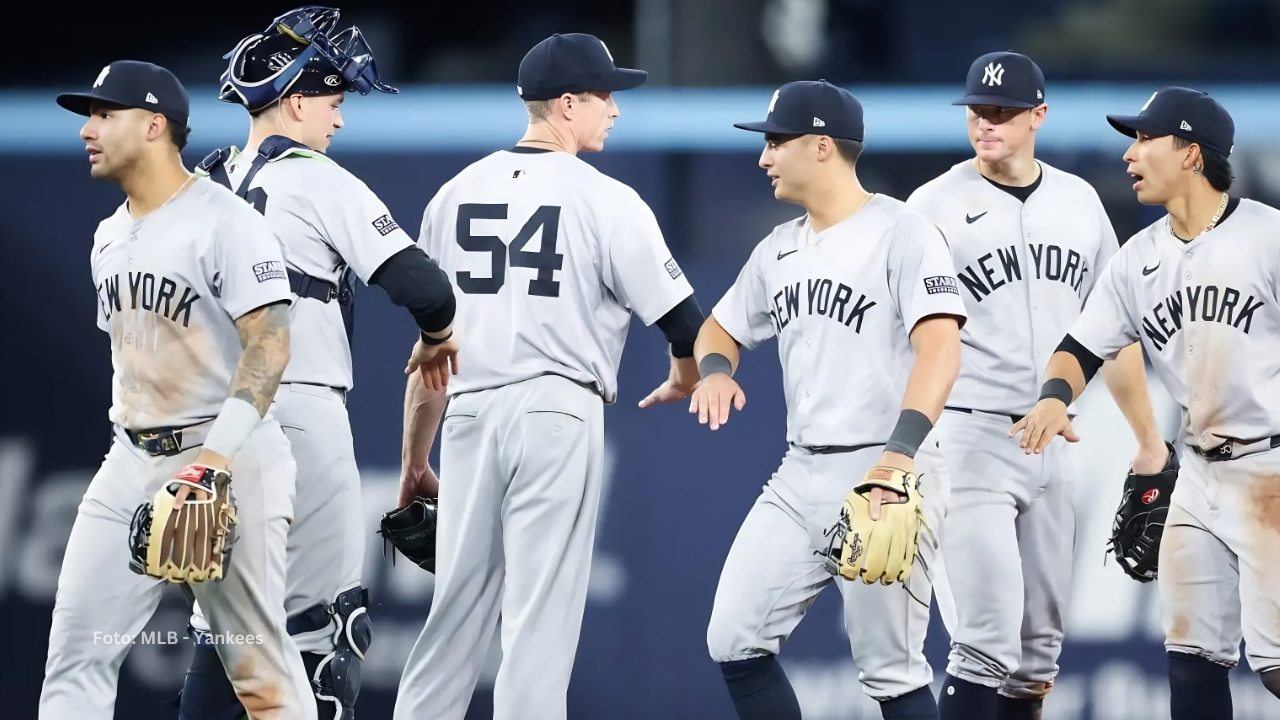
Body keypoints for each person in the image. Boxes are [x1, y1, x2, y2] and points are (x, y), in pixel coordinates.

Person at [392, 32, 704, 720]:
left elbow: (430, 350)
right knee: (538, 621)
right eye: (605, 96)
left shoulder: (451, 195)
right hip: (555, 411)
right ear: (568, 104)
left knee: (453, 615)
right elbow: (684, 323)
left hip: (468, 414)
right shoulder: (605, 198)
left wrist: (416, 457)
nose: (615, 111)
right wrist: (685, 373)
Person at [174, 8, 459, 720]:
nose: (338, 120)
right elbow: (425, 287)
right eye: (333, 102)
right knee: (326, 634)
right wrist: (438, 334)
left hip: (212, 426)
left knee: (228, 632)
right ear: (296, 99)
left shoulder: (199, 183)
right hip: (297, 413)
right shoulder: (315, 178)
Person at [42, 60, 315, 719]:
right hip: (132, 457)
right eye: (89, 116)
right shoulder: (108, 234)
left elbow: (271, 342)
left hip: (228, 460)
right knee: (74, 659)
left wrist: (214, 460)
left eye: (106, 114)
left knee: (263, 681)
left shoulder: (225, 220)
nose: (89, 129)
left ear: (155, 123)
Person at [692, 78, 967, 720]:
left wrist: (898, 460)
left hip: (884, 468)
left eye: (775, 142)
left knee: (891, 672)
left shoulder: (903, 231)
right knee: (734, 638)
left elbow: (942, 350)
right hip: (800, 472)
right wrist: (713, 370)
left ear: (821, 146)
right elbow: (719, 329)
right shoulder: (779, 248)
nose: (764, 157)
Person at [904, 51, 1167, 719]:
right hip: (966, 435)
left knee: (1038, 652)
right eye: (978, 111)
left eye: (1002, 112)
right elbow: (898, 342)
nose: (986, 123)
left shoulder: (1079, 202)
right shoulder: (930, 207)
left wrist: (1147, 441)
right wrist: (897, 451)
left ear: (1038, 116)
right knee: (985, 640)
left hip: (1054, 441)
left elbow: (1114, 333)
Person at [1013, 86, 1280, 719]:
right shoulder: (1138, 260)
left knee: (1275, 671)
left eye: (1144, 138)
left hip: (1271, 473)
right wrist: (1055, 398)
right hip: (1197, 477)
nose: (1130, 153)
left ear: (1191, 154)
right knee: (1191, 664)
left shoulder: (1268, 236)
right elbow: (1080, 346)